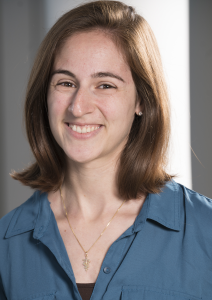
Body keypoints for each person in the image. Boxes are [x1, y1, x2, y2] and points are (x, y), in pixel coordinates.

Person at [0, 1, 212, 300]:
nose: (78, 106)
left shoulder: (206, 230)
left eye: (105, 85)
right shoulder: (7, 243)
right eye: (66, 82)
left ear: (142, 100)